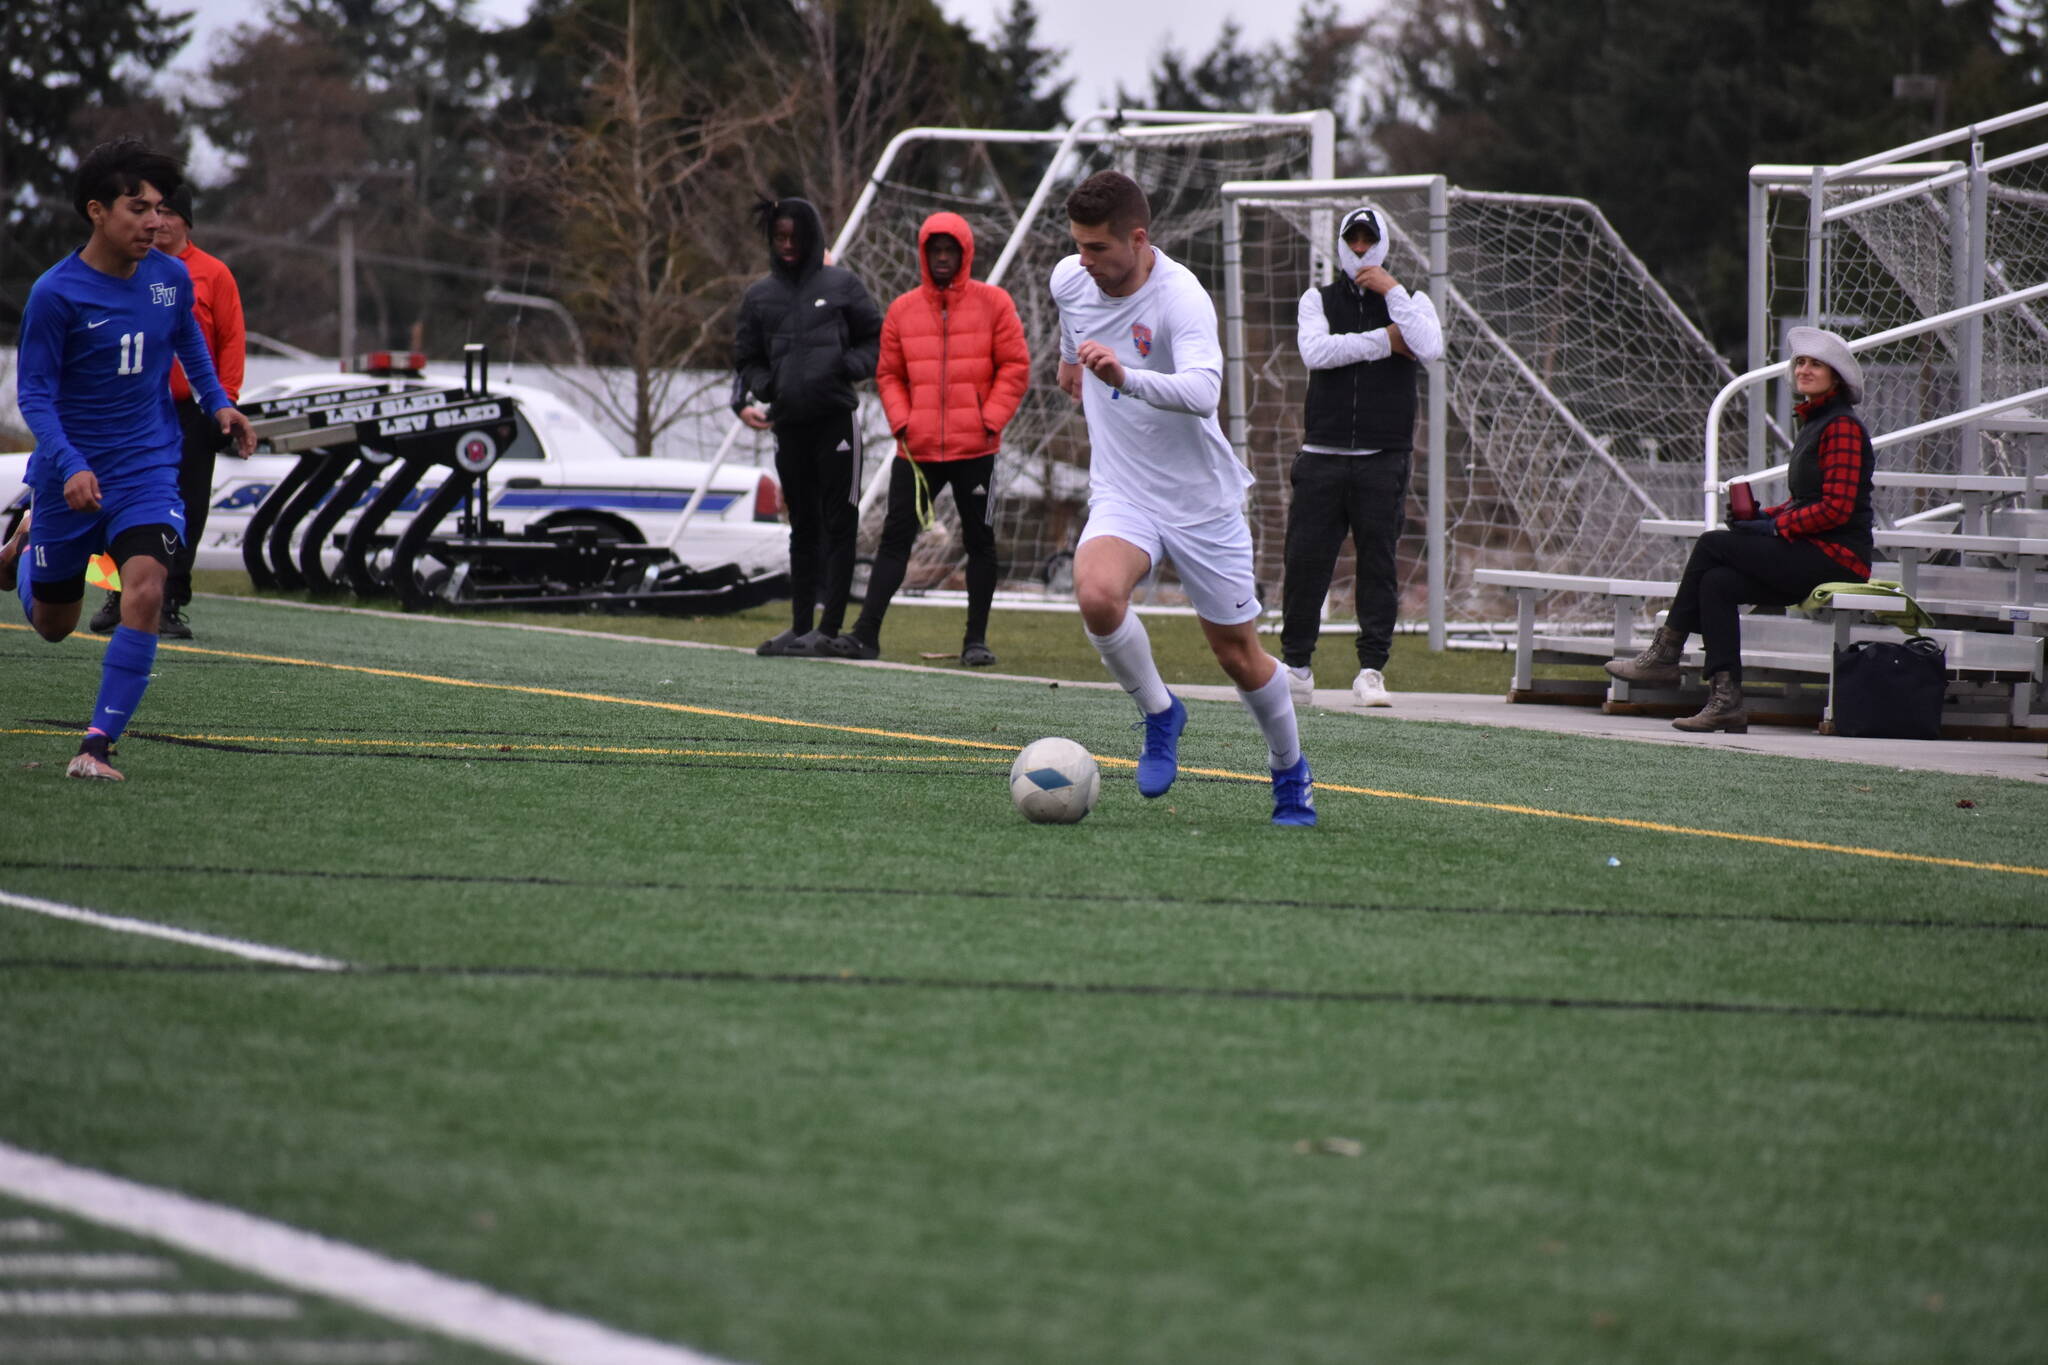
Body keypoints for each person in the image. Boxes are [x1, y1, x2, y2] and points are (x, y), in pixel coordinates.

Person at [1051, 170, 1315, 826]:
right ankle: (1161, 714)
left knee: (1237, 655)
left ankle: (1290, 771)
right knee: (1095, 593)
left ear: (1139, 240)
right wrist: (1074, 369)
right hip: (1124, 493)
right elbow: (1068, 351)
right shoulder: (1069, 280)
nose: (1084, 263)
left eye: (1098, 250)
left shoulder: (1181, 298)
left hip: (1202, 502)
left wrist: (1126, 378)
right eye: (1077, 246)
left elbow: (1203, 391)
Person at [0, 139, 254, 781]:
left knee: (145, 586)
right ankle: (25, 553)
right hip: (69, 474)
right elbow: (33, 394)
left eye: (160, 208)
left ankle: (96, 746)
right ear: (96, 211)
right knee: (56, 624)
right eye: (137, 207)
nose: (154, 221)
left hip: (148, 465)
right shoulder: (56, 294)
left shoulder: (170, 278)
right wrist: (71, 463)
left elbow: (190, 345)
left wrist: (220, 403)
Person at [1605, 326, 1874, 733]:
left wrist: (1774, 528)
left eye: (1816, 364)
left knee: (1713, 544)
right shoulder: (1816, 424)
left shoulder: (1842, 428)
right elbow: (1807, 501)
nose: (1804, 369)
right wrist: (1762, 518)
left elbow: (1836, 509)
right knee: (1717, 583)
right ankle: (1725, 700)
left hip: (1837, 558)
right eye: (1800, 362)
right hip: (1808, 553)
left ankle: (1666, 651)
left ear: (1836, 376)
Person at [828, 211, 1030, 666]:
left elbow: (1015, 368)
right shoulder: (902, 309)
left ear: (963, 254)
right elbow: (889, 373)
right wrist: (902, 422)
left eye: (949, 250)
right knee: (894, 541)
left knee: (980, 542)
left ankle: (975, 642)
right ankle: (865, 636)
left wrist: (989, 420)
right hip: (915, 452)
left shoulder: (995, 304)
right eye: (934, 250)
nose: (942, 257)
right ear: (924, 254)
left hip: (977, 450)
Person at [1279, 203, 1443, 710]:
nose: (1359, 250)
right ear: (1340, 244)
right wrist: (1383, 342)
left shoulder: (1410, 300)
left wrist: (1392, 294)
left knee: (1378, 564)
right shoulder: (1316, 299)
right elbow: (1316, 353)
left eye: (1368, 241)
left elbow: (1428, 347)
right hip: (1322, 455)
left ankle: (1371, 670)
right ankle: (1297, 667)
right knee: (1306, 563)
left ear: (1382, 244)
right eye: (1352, 240)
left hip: (1382, 457)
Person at [87, 180, 245, 641]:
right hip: (135, 406)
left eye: (168, 214)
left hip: (192, 409)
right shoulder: (126, 268)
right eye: (149, 213)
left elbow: (231, 340)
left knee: (187, 504)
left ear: (184, 222)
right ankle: (117, 593)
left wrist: (224, 402)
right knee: (117, 500)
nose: (158, 223)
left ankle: (170, 598)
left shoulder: (211, 274)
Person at [732, 195, 882, 658]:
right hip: (789, 425)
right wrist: (765, 385)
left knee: (840, 523)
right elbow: (746, 357)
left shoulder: (842, 284)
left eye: (796, 236)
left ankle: (830, 627)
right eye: (780, 237)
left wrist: (846, 365)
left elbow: (877, 336)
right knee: (802, 527)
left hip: (836, 420)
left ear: (813, 235)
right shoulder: (759, 296)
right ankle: (799, 628)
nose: (788, 245)